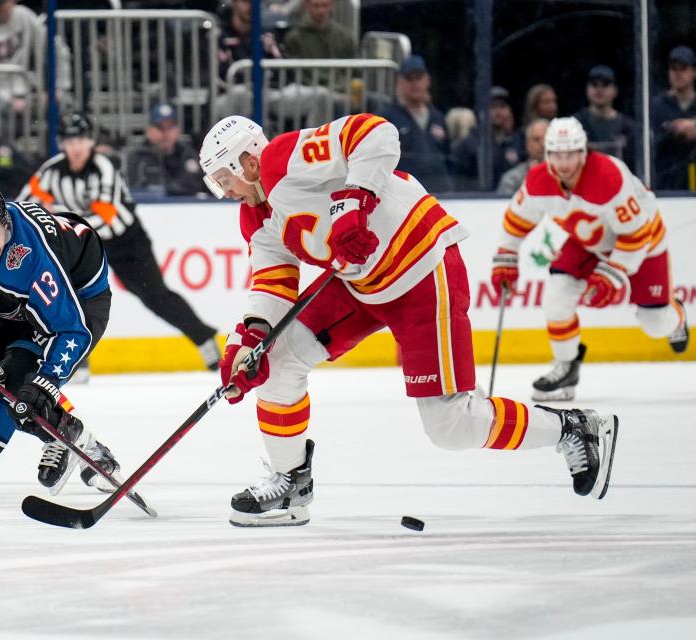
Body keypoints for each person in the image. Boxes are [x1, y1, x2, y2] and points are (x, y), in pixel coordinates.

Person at [198, 113, 620, 527]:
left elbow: (375, 133)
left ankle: (572, 428)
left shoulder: (282, 159)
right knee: (278, 363)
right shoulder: (254, 217)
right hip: (359, 282)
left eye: (223, 178)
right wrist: (251, 338)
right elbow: (273, 281)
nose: (224, 190)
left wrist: (354, 202)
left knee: (450, 426)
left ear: (248, 163)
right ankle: (291, 481)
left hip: (421, 266)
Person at [0, 179, 122, 503]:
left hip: (80, 296)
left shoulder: (30, 254)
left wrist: (46, 382)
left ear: (6, 223)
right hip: (13, 298)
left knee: (18, 384)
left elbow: (72, 330)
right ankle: (67, 433)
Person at [492, 117, 689, 401]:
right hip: (589, 241)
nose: (563, 163)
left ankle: (677, 315)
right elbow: (516, 220)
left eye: (570, 153)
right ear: (546, 154)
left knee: (656, 323)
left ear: (583, 152)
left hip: (643, 242)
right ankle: (566, 368)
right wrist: (506, 257)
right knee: (556, 298)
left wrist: (612, 274)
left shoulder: (608, 176)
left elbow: (636, 234)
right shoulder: (538, 180)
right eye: (556, 154)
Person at [19, 113, 221, 373]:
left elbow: (105, 216)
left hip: (126, 243)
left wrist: (55, 214)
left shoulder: (104, 167)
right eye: (70, 140)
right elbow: (25, 207)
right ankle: (77, 358)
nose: (76, 147)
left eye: (81, 139)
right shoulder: (50, 171)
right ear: (61, 143)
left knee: (154, 295)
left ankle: (204, 338)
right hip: (81, 245)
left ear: (91, 141)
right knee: (67, 296)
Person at [380, 54, 452, 192]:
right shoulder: (386, 118)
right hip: (404, 196)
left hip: (440, 196)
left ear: (427, 80)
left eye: (418, 78)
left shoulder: (438, 118)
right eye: (409, 79)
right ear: (399, 82)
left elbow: (448, 158)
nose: (415, 84)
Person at [124, 103, 208, 197]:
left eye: (170, 127)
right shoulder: (137, 157)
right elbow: (136, 187)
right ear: (149, 131)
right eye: (160, 127)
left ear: (177, 130)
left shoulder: (188, 154)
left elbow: (196, 183)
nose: (165, 133)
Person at [650, 46, 696, 190]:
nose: (678, 74)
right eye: (673, 68)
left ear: (694, 72)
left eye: (683, 68)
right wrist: (673, 129)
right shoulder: (656, 106)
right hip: (666, 186)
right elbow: (649, 145)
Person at [572, 65, 637, 170]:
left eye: (605, 84)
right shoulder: (575, 124)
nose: (599, 89)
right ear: (587, 89)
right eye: (594, 84)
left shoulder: (628, 127)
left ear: (615, 90)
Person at [496, 117, 548, 195]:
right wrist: (531, 180)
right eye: (536, 139)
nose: (543, 144)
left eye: (547, 139)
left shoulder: (567, 177)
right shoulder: (511, 179)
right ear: (527, 144)